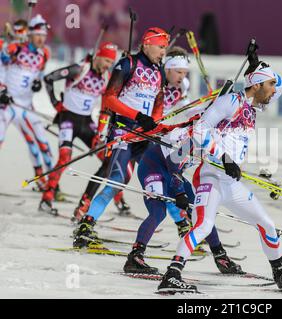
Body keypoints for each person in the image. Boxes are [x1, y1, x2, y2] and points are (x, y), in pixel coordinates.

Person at [157, 62, 282, 294]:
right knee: (203, 225)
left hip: (231, 183)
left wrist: (257, 64)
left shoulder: (253, 106)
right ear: (256, 85)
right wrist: (223, 157)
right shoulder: (230, 102)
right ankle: (172, 274)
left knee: (267, 225)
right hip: (210, 177)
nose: (275, 90)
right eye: (270, 84)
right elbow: (200, 129)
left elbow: (280, 88)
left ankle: (281, 273)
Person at [122, 47, 243, 275]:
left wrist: (228, 165)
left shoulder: (212, 133)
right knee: (158, 212)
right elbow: (174, 167)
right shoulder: (191, 134)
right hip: (154, 166)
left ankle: (221, 257)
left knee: (202, 211)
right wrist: (178, 193)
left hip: (173, 169)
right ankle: (135, 257)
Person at [72, 27, 168, 248]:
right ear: (147, 44)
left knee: (163, 177)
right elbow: (109, 99)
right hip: (123, 132)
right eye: (161, 47)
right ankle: (86, 225)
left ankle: (184, 227)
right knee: (116, 181)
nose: (163, 52)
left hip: (143, 136)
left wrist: (153, 121)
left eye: (165, 48)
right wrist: (137, 116)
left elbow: (159, 105)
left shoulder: (159, 71)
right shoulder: (127, 64)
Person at [38, 42, 118, 214]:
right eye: (105, 61)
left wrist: (99, 132)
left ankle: (118, 201)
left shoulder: (106, 77)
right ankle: (47, 198)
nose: (107, 66)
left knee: (108, 160)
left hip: (87, 123)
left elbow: (106, 107)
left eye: (111, 63)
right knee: (65, 158)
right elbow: (49, 78)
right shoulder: (79, 69)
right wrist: (55, 104)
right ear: (98, 56)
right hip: (67, 119)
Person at [0, 17, 53, 190]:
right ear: (30, 34)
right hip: (7, 104)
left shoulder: (44, 53)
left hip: (26, 107)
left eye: (43, 35)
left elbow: (39, 73)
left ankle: (50, 184)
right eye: (37, 35)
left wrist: (38, 82)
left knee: (41, 144)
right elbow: (3, 63)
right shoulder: (15, 49)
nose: (41, 39)